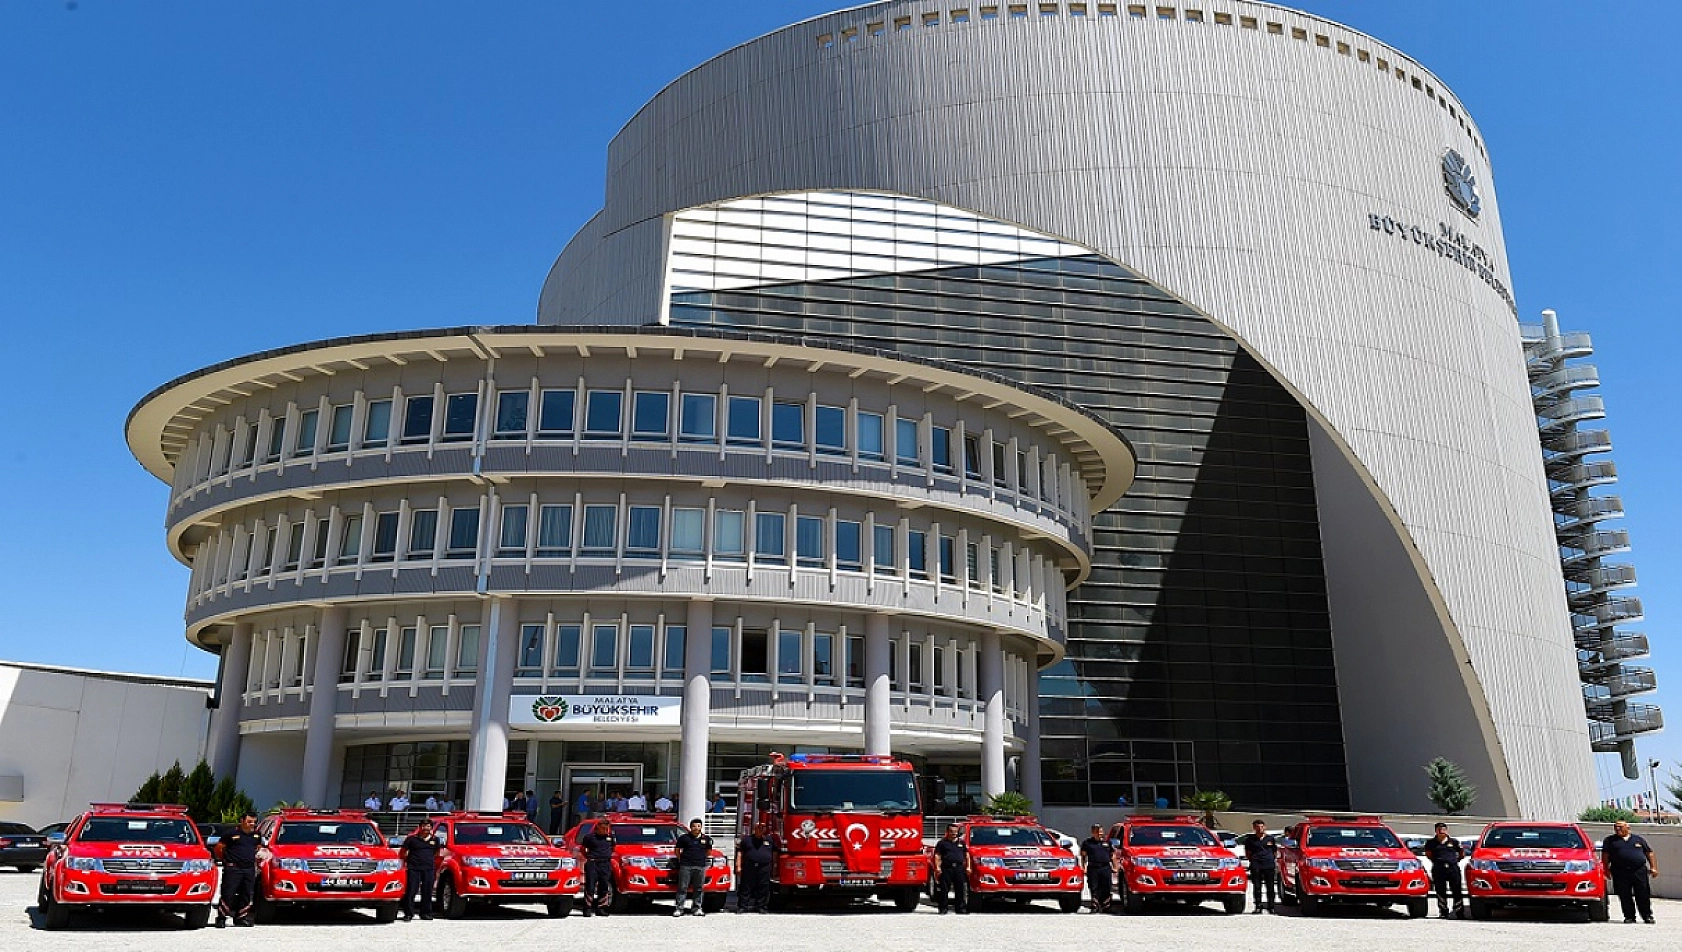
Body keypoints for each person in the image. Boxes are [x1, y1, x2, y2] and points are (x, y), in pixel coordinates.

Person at [1603, 820, 1658, 924]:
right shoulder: (1610, 840)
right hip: (1620, 871)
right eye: (1616, 827)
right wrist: (1605, 869)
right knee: (1624, 894)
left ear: (1628, 828)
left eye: (1620, 827)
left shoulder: (1638, 839)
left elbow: (1649, 853)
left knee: (1643, 893)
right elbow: (1605, 856)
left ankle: (1647, 916)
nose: (1617, 829)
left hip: (1639, 871)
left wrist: (1653, 867)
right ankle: (1629, 916)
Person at [214, 812, 262, 928]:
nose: (252, 824)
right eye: (249, 821)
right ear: (242, 820)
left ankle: (241, 918)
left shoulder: (256, 835)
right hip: (233, 868)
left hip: (249, 869)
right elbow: (218, 849)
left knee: (247, 893)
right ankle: (221, 918)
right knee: (228, 893)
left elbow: (258, 848)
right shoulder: (231, 834)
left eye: (254, 822)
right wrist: (226, 861)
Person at [1421, 822, 1466, 918]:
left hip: (1453, 868)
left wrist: (1454, 861)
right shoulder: (1431, 843)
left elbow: (1461, 854)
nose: (1441, 832)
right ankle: (1443, 911)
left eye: (1443, 829)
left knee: (1457, 890)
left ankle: (1459, 912)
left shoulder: (1454, 842)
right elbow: (1429, 855)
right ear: (1436, 831)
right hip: (1439, 869)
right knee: (1440, 891)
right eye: (1439, 830)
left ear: (1447, 830)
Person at [398, 819, 440, 921]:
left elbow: (437, 853)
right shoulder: (411, 839)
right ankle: (408, 914)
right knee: (411, 891)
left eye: (428, 826)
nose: (426, 828)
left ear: (431, 828)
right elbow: (402, 852)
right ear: (420, 827)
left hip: (429, 869)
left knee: (427, 892)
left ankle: (425, 913)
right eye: (424, 826)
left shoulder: (435, 840)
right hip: (414, 868)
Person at [673, 817, 714, 916]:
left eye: (698, 826)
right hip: (686, 866)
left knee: (699, 888)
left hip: (700, 866)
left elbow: (708, 852)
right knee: (682, 887)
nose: (696, 828)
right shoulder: (684, 838)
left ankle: (697, 908)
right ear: (691, 827)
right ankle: (679, 908)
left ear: (701, 827)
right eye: (694, 826)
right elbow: (677, 850)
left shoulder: (706, 839)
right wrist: (681, 859)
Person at [1237, 819, 1279, 913]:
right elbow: (1248, 852)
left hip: (1269, 865)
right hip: (1256, 865)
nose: (1260, 829)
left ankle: (1271, 907)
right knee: (1257, 887)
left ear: (1265, 827)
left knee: (1270, 887)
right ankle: (1258, 907)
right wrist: (1253, 860)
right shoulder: (1250, 840)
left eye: (1261, 826)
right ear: (1254, 828)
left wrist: (1271, 859)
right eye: (1257, 827)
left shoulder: (1270, 839)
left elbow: (1275, 851)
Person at [578, 818, 617, 917]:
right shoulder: (589, 837)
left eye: (607, 828)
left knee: (604, 886)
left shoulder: (610, 837)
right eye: (603, 828)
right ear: (598, 827)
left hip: (605, 864)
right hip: (593, 864)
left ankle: (601, 908)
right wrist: (590, 858)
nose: (605, 830)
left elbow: (613, 848)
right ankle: (587, 908)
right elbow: (583, 849)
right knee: (590, 886)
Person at [735, 821, 775, 913]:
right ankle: (743, 906)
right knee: (746, 887)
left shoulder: (769, 839)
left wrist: (774, 865)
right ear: (754, 829)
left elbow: (774, 853)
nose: (761, 829)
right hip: (749, 866)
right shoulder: (747, 840)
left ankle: (760, 907)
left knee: (763, 887)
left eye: (763, 828)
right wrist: (738, 866)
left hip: (764, 867)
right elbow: (740, 853)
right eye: (759, 827)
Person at [932, 823, 970, 914]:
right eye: (951, 831)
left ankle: (960, 909)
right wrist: (937, 867)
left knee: (960, 889)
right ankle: (943, 909)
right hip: (946, 868)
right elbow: (937, 855)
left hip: (959, 868)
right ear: (947, 832)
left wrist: (968, 867)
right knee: (944, 889)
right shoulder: (942, 843)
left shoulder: (961, 843)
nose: (954, 833)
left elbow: (967, 855)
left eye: (955, 831)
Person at [1078, 823, 1114, 913]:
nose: (1099, 833)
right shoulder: (1087, 843)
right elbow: (1083, 856)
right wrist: (1083, 867)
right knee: (1094, 887)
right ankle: (1095, 906)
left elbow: (1112, 856)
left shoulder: (1107, 842)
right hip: (1093, 867)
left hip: (1105, 867)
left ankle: (1106, 907)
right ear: (1092, 832)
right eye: (1097, 831)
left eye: (1101, 831)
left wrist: (1115, 867)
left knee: (1107, 887)